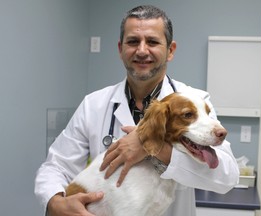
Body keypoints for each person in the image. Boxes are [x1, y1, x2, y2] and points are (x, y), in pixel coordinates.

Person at [35, 5, 239, 216]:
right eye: (133, 41)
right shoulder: (94, 104)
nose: (142, 51)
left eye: (152, 41)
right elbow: (55, 166)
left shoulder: (196, 101)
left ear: (170, 50)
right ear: (120, 48)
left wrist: (151, 146)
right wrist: (55, 203)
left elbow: (227, 177)